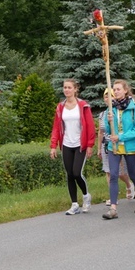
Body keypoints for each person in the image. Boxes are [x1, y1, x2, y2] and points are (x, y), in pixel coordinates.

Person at [50, 79, 95, 215]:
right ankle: (74, 204)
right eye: (65, 87)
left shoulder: (83, 106)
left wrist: (90, 145)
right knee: (69, 174)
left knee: (77, 173)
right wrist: (53, 146)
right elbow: (56, 128)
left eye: (69, 87)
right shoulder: (60, 107)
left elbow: (90, 126)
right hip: (66, 144)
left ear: (75, 89)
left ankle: (86, 196)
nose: (67, 90)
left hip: (80, 144)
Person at [102, 80, 135, 219]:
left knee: (132, 174)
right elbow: (108, 130)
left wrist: (121, 137)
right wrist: (109, 121)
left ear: (125, 90)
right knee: (113, 174)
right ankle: (113, 208)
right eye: (114, 89)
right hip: (114, 146)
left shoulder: (133, 108)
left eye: (118, 89)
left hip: (130, 146)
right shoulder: (111, 108)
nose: (115, 92)